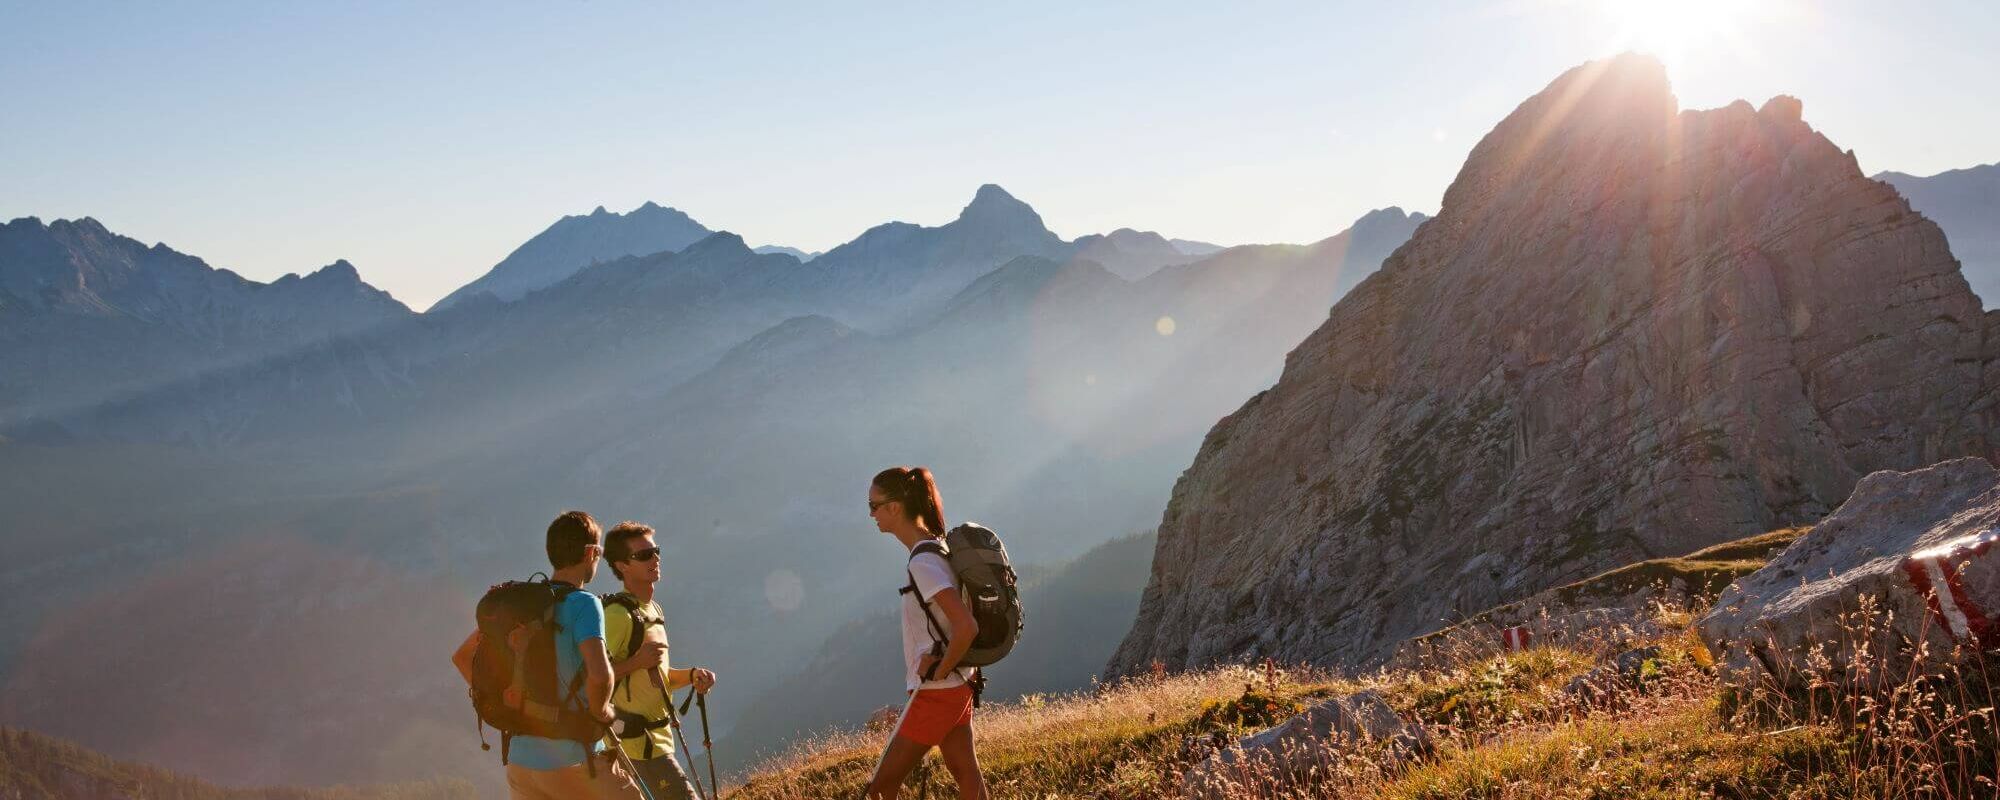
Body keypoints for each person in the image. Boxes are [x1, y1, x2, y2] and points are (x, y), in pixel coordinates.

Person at [451, 511, 640, 800]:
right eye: (599, 552)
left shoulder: (521, 606)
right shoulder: (583, 604)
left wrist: (515, 703)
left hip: (520, 765)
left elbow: (463, 657)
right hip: (574, 761)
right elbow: (600, 675)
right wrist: (602, 713)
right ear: (590, 552)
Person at [863, 467, 988, 800]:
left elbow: (966, 626)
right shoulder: (938, 548)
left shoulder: (923, 563)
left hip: (938, 690)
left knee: (880, 788)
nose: (871, 514)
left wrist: (938, 669)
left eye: (874, 505)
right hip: (960, 682)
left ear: (895, 507)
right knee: (967, 775)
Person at [601, 521, 717, 800]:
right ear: (622, 566)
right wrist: (636, 662)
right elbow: (590, 677)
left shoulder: (652, 610)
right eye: (643, 555)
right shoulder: (618, 615)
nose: (654, 559)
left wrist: (691, 676)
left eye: (656, 552)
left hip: (658, 739)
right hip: (635, 745)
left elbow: (658, 677)